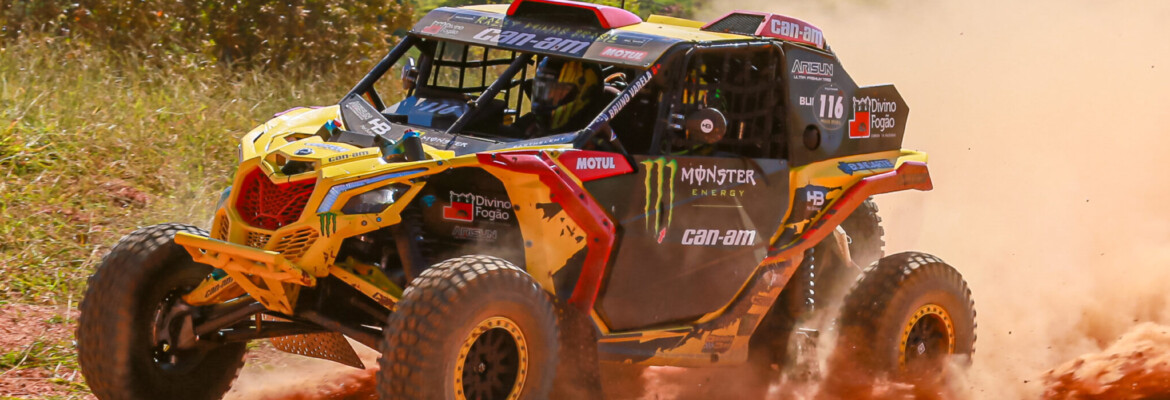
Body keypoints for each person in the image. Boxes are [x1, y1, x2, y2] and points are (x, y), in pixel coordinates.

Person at [511, 57, 605, 138]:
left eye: (557, 90)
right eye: (543, 89)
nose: (548, 96)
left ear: (583, 94)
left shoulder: (597, 139)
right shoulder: (530, 124)